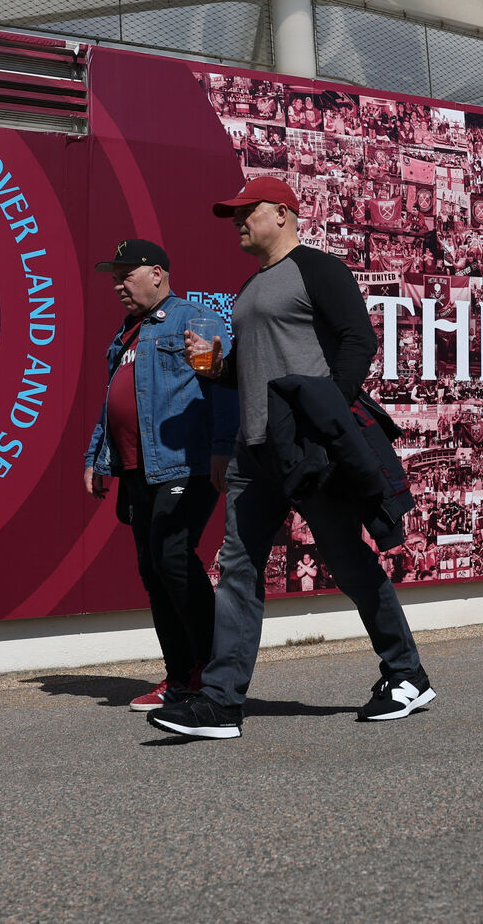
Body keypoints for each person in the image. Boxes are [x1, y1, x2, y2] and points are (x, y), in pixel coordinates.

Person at [152, 175, 433, 740]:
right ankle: (221, 703)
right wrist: (212, 366)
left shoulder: (318, 268)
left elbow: (359, 340)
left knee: (347, 561)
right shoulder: (249, 290)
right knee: (237, 569)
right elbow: (244, 372)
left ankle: (406, 675)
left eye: (246, 211)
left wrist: (326, 414)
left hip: (308, 449)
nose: (237, 221)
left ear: (282, 213)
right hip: (255, 453)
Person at [82, 239, 236, 712]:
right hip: (135, 467)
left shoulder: (193, 319)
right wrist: (96, 457)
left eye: (127, 274)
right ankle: (179, 676)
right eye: (114, 277)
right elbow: (115, 400)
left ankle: (212, 671)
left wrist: (221, 450)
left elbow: (224, 385)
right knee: (154, 569)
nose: (118, 285)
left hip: (182, 463)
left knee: (172, 558)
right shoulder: (128, 332)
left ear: (158, 273)